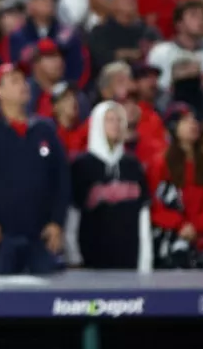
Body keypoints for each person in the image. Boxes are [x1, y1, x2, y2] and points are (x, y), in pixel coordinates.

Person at [0, 64, 67, 274]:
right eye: (14, 81)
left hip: (40, 236)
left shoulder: (44, 129)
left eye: (23, 80)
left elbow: (61, 179)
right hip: (0, 237)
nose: (23, 85)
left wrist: (57, 221)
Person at [65, 101, 152, 271]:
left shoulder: (133, 165)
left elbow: (143, 214)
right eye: (109, 120)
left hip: (129, 260)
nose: (116, 125)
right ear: (97, 124)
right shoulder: (82, 166)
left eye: (119, 120)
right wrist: (73, 256)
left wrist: (146, 259)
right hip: (91, 260)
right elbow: (72, 215)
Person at [147, 104, 203, 269]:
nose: (193, 124)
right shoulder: (159, 163)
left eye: (193, 119)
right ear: (173, 127)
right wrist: (179, 225)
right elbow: (153, 202)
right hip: (169, 242)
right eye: (185, 120)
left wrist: (197, 226)